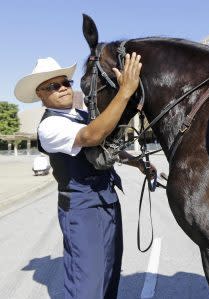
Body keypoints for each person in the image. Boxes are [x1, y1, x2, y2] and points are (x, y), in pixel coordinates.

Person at [14, 53, 150, 298]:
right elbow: (92, 137)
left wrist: (137, 162)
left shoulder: (82, 115)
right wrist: (125, 91)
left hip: (106, 201)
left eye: (66, 83)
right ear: (40, 95)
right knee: (87, 286)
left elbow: (105, 147)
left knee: (109, 275)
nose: (63, 88)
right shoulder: (49, 126)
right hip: (81, 209)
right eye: (53, 86)